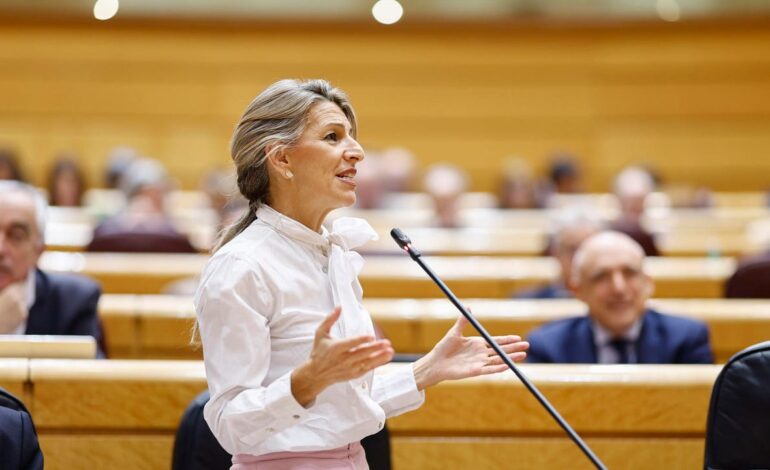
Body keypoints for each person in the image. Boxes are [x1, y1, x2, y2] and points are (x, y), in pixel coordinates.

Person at [194, 79, 529, 469]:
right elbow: (229, 425)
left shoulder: (332, 253)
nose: (357, 151)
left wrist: (425, 370)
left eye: (351, 136)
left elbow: (340, 410)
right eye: (333, 137)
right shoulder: (242, 266)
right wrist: (305, 383)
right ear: (282, 159)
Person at [527, 231, 713, 364]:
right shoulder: (548, 347)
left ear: (648, 283)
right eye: (601, 276)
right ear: (577, 290)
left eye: (630, 273)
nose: (619, 288)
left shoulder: (687, 339)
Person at [0, 181, 105, 357]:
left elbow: (94, 374)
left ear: (38, 251)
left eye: (16, 236)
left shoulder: (73, 302)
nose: (1, 249)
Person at [515, 209, 601, 299]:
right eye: (572, 250)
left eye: (587, 251)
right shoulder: (525, 301)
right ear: (555, 253)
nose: (579, 259)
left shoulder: (610, 302)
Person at [610, 165, 660, 256]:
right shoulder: (609, 234)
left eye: (639, 201)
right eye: (631, 202)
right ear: (620, 201)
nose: (636, 206)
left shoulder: (651, 232)